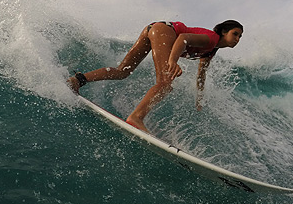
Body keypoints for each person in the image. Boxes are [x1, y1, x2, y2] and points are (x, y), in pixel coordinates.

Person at [67, 20, 243, 133]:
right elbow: (182, 38)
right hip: (164, 30)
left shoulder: (210, 51)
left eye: (240, 36)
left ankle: (77, 80)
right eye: (235, 34)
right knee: (165, 84)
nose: (237, 39)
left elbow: (201, 75)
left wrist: (199, 97)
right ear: (223, 32)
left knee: (122, 71)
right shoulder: (211, 39)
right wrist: (173, 61)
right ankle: (136, 118)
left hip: (154, 28)